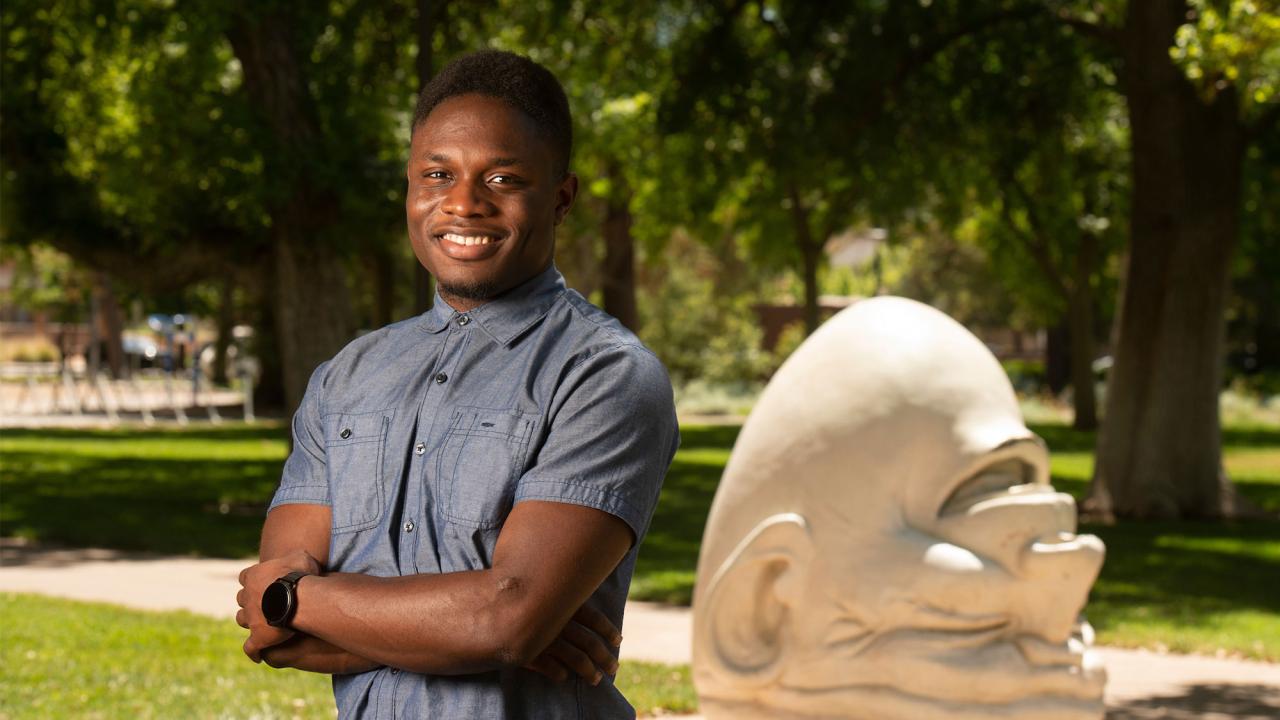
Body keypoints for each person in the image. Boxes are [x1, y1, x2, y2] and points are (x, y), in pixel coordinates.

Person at [235, 49, 680, 719]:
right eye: (437, 174)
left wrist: (297, 596)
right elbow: (275, 636)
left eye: (502, 178)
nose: (464, 203)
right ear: (411, 188)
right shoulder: (347, 376)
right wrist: (477, 628)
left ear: (561, 198)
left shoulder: (605, 374)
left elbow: (505, 618)